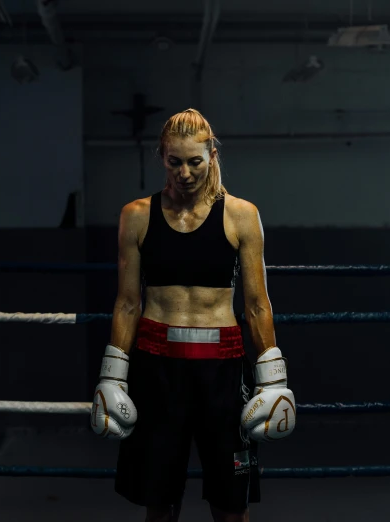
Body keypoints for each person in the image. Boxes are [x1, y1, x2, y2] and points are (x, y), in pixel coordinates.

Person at [91, 108, 296, 522]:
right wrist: (112, 375)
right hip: (156, 366)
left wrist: (273, 379)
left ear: (213, 156)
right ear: (162, 157)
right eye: (175, 161)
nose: (184, 172)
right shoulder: (136, 215)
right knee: (159, 500)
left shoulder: (241, 214)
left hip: (221, 371)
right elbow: (128, 302)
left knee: (230, 503)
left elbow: (256, 303)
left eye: (195, 161)